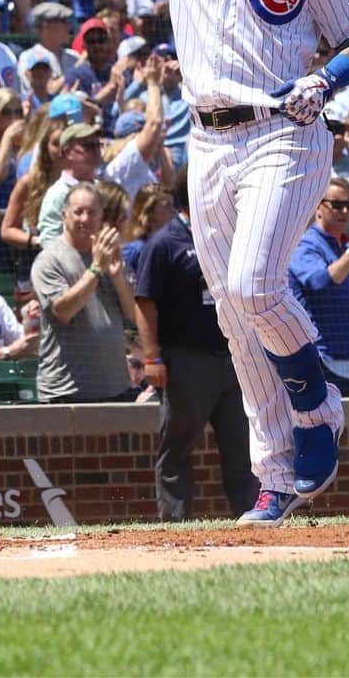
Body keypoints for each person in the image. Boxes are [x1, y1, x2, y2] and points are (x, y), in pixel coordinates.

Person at [62, 0, 349, 524]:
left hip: (285, 132)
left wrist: (328, 81)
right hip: (207, 143)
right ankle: (274, 477)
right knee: (237, 322)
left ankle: (316, 404)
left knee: (253, 286)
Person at [134, 168, 258, 520]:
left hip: (233, 357)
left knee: (243, 446)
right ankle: (176, 523)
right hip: (187, 360)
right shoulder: (165, 243)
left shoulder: (230, 236)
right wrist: (152, 356)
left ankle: (252, 516)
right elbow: (144, 302)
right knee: (178, 446)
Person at [31, 182, 135, 403]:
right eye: (78, 212)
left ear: (101, 216)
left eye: (91, 212)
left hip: (114, 387)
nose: (85, 219)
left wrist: (117, 276)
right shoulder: (49, 260)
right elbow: (63, 311)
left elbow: (130, 313)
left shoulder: (108, 253)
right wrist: (96, 269)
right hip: (66, 392)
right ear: (64, 216)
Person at [288, 178, 349, 396]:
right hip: (318, 360)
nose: (345, 211)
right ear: (317, 206)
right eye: (337, 205)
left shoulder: (344, 249)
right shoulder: (306, 244)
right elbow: (318, 281)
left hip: (348, 361)